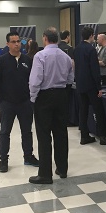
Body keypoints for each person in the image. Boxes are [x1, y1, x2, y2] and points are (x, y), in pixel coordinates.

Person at [28, 27, 74, 184]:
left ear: (45, 38)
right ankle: (62, 169)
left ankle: (45, 174)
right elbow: (70, 78)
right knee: (61, 133)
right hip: (61, 96)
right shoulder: (65, 56)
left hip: (44, 97)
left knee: (44, 135)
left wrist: (33, 98)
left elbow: (35, 80)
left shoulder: (40, 56)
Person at [0, 32, 39, 173]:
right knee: (5, 132)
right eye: (13, 42)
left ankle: (28, 156)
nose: (16, 44)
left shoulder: (27, 60)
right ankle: (3, 160)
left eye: (18, 41)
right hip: (7, 104)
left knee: (27, 131)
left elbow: (33, 80)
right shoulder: (1, 62)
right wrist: (1, 101)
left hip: (25, 103)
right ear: (8, 44)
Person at [74, 27, 106, 145]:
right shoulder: (91, 50)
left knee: (83, 110)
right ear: (91, 36)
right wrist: (99, 87)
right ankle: (103, 136)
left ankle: (84, 135)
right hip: (91, 85)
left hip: (80, 84)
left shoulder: (77, 49)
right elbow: (95, 69)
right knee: (98, 110)